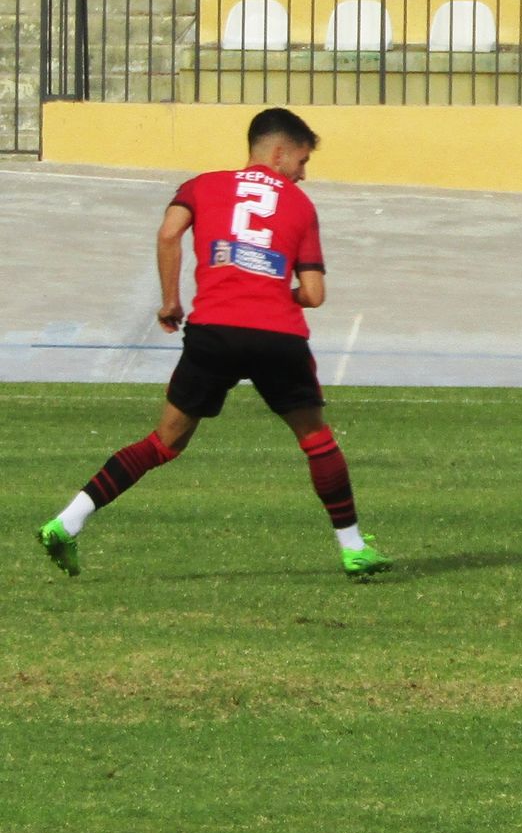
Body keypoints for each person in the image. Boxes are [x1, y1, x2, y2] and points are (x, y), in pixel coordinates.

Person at [37, 108, 391, 581]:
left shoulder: (201, 186)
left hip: (213, 332)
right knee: (316, 439)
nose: (303, 174)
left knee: (163, 443)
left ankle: (67, 522)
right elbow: (313, 295)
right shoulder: (301, 206)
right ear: (280, 152)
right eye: (302, 162)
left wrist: (169, 302)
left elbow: (168, 234)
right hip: (276, 335)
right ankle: (352, 548)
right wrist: (268, 288)